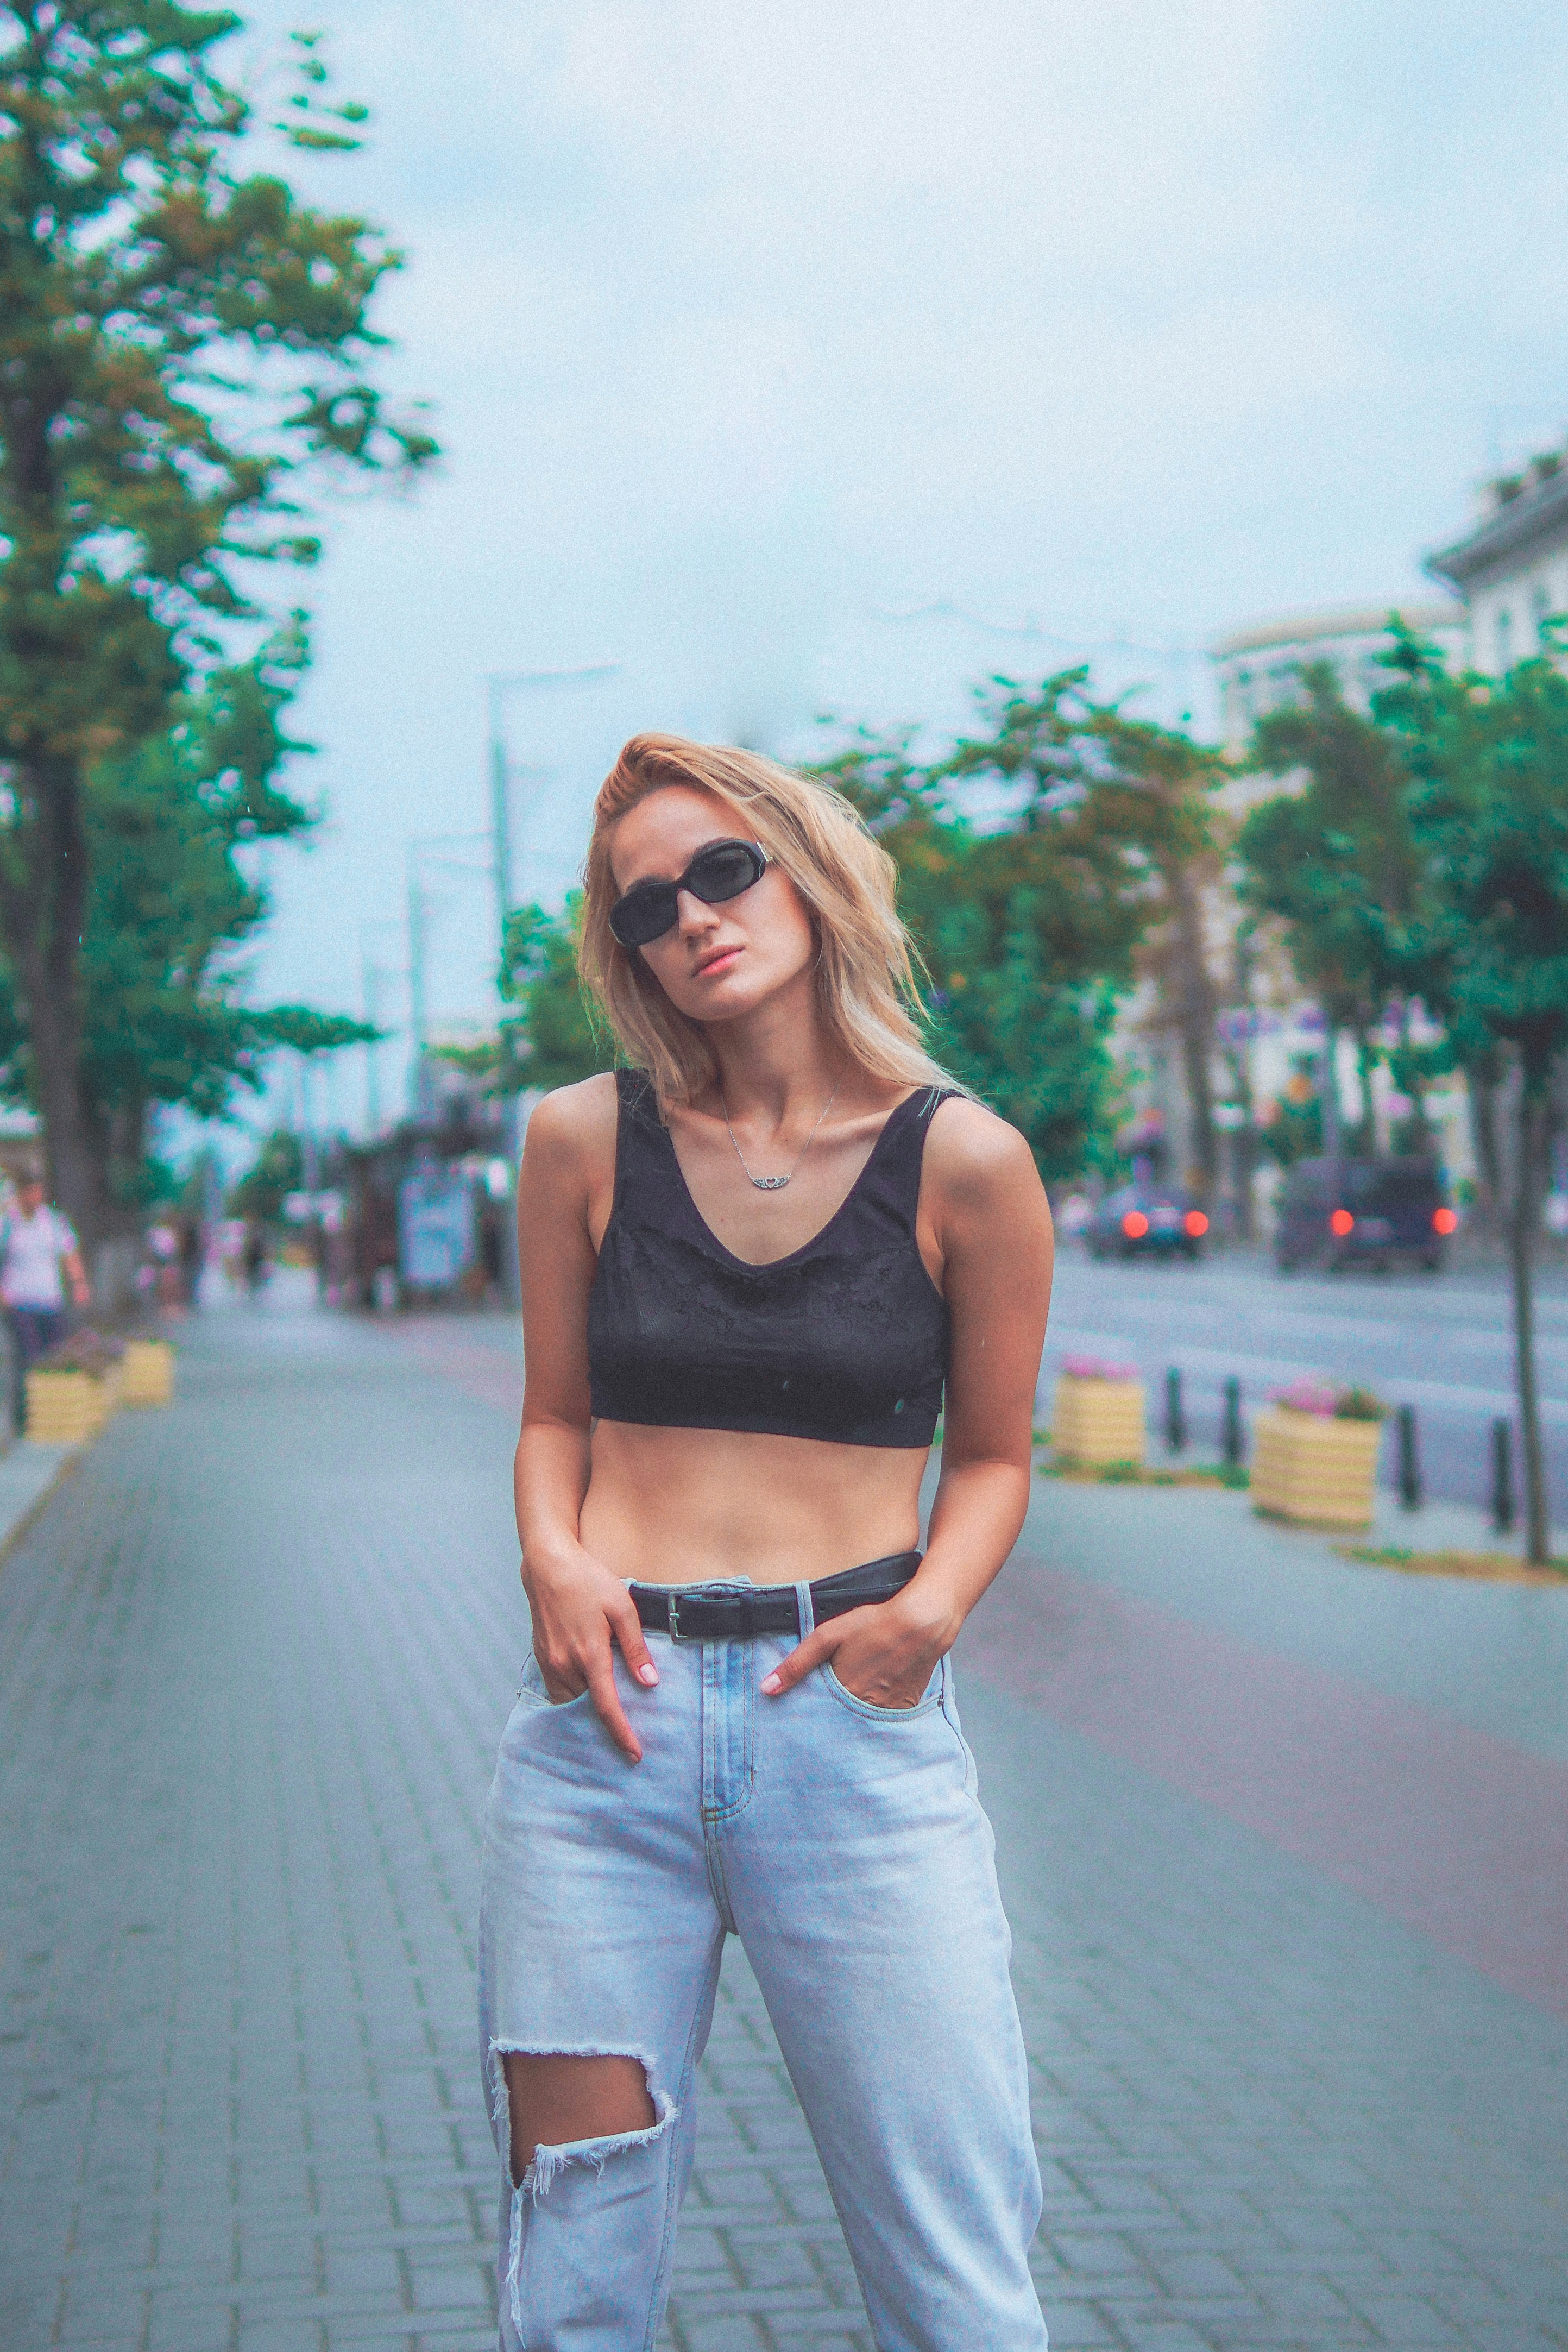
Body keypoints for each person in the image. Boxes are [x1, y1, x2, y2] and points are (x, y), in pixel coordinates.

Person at [480, 734, 1055, 2352]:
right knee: (571, 2270)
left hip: (850, 1737)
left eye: (721, 869)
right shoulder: (580, 1139)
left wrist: (927, 1613)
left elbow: (996, 1457)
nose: (692, 918)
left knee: (954, 2277)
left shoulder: (967, 1162)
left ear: (802, 868)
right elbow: (549, 1417)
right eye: (647, 904)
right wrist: (552, 1554)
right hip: (602, 1742)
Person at [2, 1173, 90, 1427]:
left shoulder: (53, 1222)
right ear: (19, 1194)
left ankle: (53, 1416)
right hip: (19, 1301)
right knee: (29, 1358)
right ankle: (26, 1418)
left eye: (38, 1192)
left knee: (55, 1355)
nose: (34, 1197)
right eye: (29, 1192)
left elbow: (69, 1254)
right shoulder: (8, 1224)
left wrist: (79, 1284)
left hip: (50, 1300)